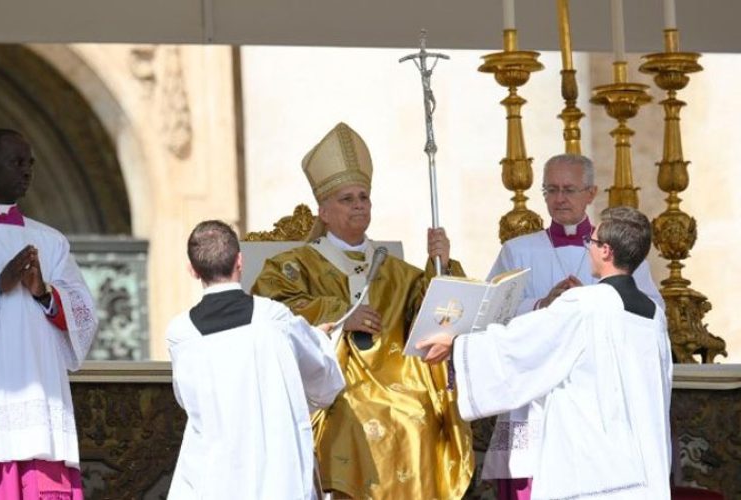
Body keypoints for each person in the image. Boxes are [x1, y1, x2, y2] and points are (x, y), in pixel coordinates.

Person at [252, 123, 473, 499]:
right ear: (323, 210)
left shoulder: (395, 270)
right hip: (333, 387)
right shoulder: (294, 266)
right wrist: (339, 315)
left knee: (416, 412)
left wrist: (441, 264)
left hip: (397, 382)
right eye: (347, 199)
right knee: (356, 414)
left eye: (363, 197)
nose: (358, 205)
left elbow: (434, 313)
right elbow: (273, 313)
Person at [418, 206, 673, 500]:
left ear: (606, 251)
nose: (587, 247)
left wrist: (459, 344)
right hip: (645, 469)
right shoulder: (654, 315)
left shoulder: (585, 304)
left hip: (594, 472)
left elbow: (522, 345)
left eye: (591, 242)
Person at [483, 153, 664, 499]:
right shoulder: (517, 250)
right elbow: (490, 314)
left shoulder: (617, 251)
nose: (559, 198)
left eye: (568, 189)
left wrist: (597, 302)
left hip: (595, 400)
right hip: (532, 398)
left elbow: (653, 311)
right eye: (551, 190)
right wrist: (541, 305)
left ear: (591, 193)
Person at [0, 129, 98, 498]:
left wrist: (44, 292)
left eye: (30, 164)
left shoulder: (51, 240)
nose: (27, 171)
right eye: (17, 163)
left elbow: (84, 314)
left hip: (39, 404)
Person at [166, 220, 345, 500]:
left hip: (213, 476)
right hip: (276, 475)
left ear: (192, 270)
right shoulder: (274, 318)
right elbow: (325, 382)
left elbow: (186, 399)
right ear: (240, 260)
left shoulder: (180, 333)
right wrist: (319, 338)